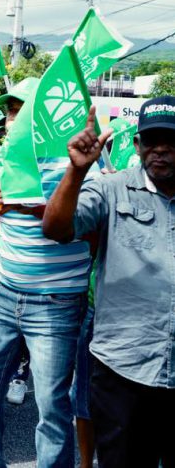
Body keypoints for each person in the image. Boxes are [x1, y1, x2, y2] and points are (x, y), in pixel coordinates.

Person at [0, 80, 91, 468]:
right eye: (12, 111)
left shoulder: (79, 161)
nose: (16, 119)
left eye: (24, 111)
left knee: (51, 402)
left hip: (56, 302)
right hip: (2, 293)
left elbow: (92, 225)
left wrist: (38, 207)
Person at [42, 100, 175, 468]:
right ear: (137, 145)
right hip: (123, 369)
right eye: (151, 140)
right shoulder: (111, 189)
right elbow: (56, 228)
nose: (160, 149)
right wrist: (75, 171)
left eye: (170, 140)